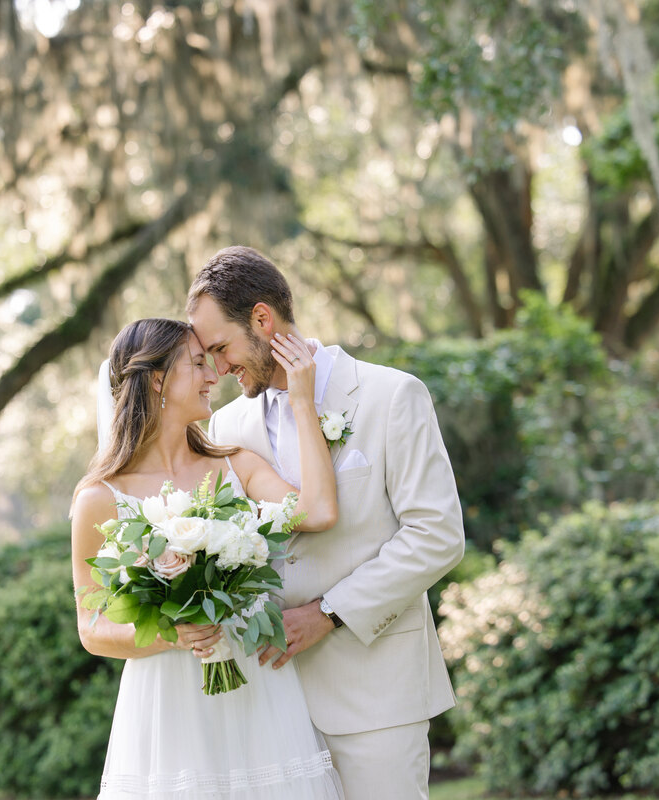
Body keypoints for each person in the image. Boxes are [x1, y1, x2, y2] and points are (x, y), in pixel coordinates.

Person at [187, 246, 465, 800]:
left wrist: (329, 614)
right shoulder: (226, 426)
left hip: (376, 693)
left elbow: (437, 536)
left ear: (263, 320)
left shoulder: (391, 396)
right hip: (268, 700)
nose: (217, 369)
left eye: (221, 348)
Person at [70, 318, 344, 799]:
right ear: (157, 380)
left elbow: (318, 511)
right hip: (169, 703)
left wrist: (302, 400)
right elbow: (92, 628)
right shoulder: (99, 497)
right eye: (198, 363)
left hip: (256, 686)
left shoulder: (236, 464)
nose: (214, 374)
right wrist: (171, 633)